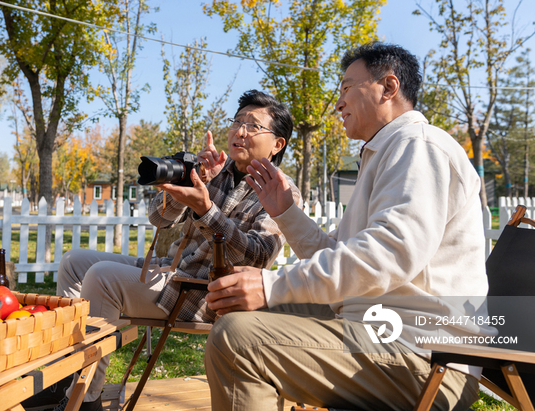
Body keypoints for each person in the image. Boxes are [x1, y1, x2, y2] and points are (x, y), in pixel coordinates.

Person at [204, 42, 494, 411]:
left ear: (388, 88)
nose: (338, 103)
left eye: (346, 88)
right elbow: (341, 257)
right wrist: (287, 213)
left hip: (426, 357)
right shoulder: (385, 153)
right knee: (241, 318)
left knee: (237, 340)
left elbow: (389, 255)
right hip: (381, 334)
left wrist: (271, 284)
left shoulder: (419, 146)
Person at [55, 90, 302, 411]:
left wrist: (206, 209)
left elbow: (256, 257)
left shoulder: (282, 191)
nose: (240, 131)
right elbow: (158, 217)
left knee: (102, 277)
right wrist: (190, 181)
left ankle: (85, 400)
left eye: (253, 126)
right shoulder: (216, 169)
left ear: (277, 144)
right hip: (171, 270)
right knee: (74, 262)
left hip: (207, 294)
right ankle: (67, 381)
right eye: (237, 122)